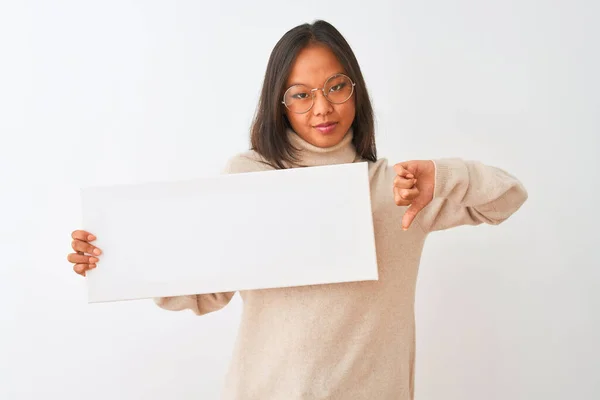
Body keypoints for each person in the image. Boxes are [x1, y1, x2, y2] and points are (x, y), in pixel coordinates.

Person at [67, 20, 528, 400]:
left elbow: (507, 198)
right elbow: (206, 291)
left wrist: (441, 175)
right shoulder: (250, 179)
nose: (322, 107)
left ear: (356, 90)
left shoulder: (399, 190)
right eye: (301, 94)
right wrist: (115, 258)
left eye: (336, 87)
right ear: (280, 103)